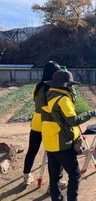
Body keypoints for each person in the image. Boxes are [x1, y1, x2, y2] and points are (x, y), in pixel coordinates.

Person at [41, 70, 96, 201]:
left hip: (49, 141)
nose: (72, 88)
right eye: (71, 85)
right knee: (75, 174)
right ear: (66, 85)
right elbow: (73, 121)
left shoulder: (47, 96)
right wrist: (91, 113)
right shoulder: (63, 99)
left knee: (54, 175)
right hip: (61, 143)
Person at [23, 61, 66, 192]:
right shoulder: (54, 89)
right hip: (50, 124)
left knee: (32, 151)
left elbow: (34, 99)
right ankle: (54, 185)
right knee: (53, 156)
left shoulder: (37, 87)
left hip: (37, 123)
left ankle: (26, 175)